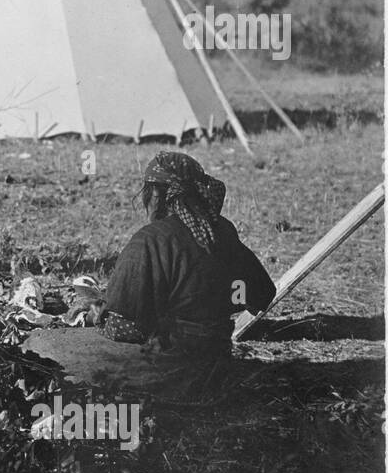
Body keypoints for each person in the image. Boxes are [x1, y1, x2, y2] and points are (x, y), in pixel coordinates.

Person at [97, 150, 275, 358]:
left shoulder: (149, 240)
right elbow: (261, 294)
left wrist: (97, 317)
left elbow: (126, 326)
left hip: (172, 363)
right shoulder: (222, 230)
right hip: (218, 354)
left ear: (155, 194)